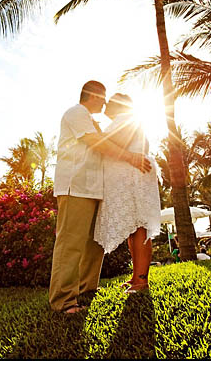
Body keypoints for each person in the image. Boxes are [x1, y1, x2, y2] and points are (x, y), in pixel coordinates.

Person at [49, 81, 151, 314]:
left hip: (94, 190)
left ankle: (87, 290)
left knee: (94, 244)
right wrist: (130, 157)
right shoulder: (76, 113)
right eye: (103, 98)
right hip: (76, 186)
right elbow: (96, 143)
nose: (105, 103)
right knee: (71, 243)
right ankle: (63, 301)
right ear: (94, 95)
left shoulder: (92, 120)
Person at [93, 93, 162, 293]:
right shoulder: (124, 121)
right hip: (132, 178)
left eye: (110, 100)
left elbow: (106, 145)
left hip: (134, 178)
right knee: (134, 229)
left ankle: (141, 281)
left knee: (140, 228)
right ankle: (136, 278)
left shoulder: (126, 121)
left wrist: (96, 135)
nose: (105, 103)